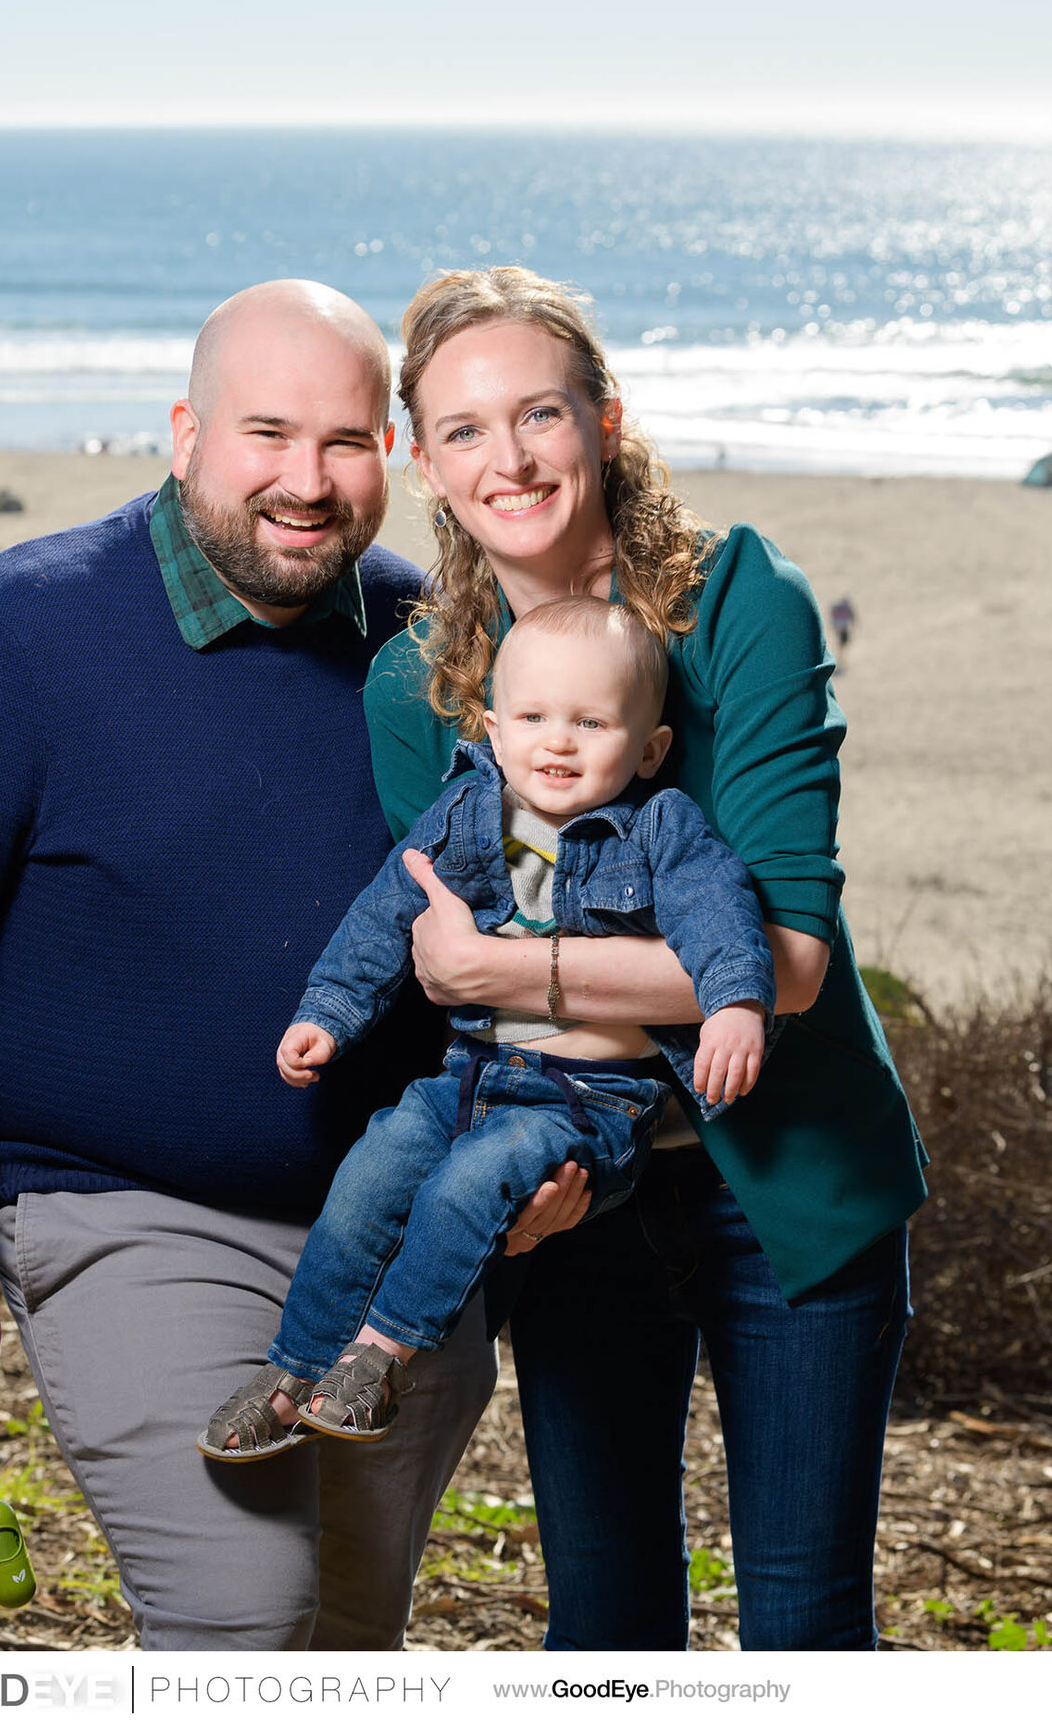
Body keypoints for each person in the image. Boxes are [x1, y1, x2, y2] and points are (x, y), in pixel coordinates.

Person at [0, 280, 503, 1650]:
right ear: (186, 431)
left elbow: (496, 909)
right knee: (242, 1620)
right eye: (267, 434)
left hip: (392, 1234)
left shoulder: (428, 639)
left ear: (392, 453)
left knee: (348, 1640)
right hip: (125, 1216)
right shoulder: (15, 635)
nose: (305, 483)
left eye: (346, 441)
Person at [365, 267, 925, 1650]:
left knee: (803, 1624)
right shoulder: (413, 685)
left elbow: (785, 966)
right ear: (420, 460)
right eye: (466, 429)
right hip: (571, 1191)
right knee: (607, 1627)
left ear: (603, 420)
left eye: (539, 413)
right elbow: (435, 966)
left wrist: (514, 977)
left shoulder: (738, 598)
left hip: (791, 1182)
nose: (511, 458)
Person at [201, 598, 776, 1458]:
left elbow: (720, 917)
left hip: (587, 1103)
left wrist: (736, 1004)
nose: (559, 742)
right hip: (469, 1076)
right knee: (370, 1174)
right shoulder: (468, 812)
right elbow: (383, 915)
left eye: (592, 722)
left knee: (469, 1185)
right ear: (495, 730)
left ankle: (380, 1357)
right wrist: (327, 1013)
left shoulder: (661, 827)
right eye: (535, 718)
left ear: (650, 748)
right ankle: (295, 1370)